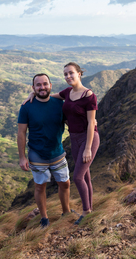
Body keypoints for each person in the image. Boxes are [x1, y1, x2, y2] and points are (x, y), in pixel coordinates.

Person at [24, 62, 100, 225]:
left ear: (79, 73)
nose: (68, 76)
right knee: (85, 176)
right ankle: (90, 208)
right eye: (65, 74)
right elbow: (48, 96)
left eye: (71, 73)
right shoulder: (68, 93)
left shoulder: (89, 96)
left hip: (88, 139)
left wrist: (87, 148)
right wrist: (33, 94)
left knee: (78, 177)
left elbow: (91, 123)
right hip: (74, 139)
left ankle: (86, 213)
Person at [17, 73, 71, 228]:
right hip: (37, 154)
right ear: (33, 88)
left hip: (57, 152)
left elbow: (71, 123)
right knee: (40, 186)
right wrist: (22, 157)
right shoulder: (27, 106)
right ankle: (44, 218)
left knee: (65, 183)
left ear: (50, 85)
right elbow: (21, 133)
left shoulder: (59, 104)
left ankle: (66, 212)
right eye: (38, 85)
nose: (42, 87)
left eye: (45, 84)